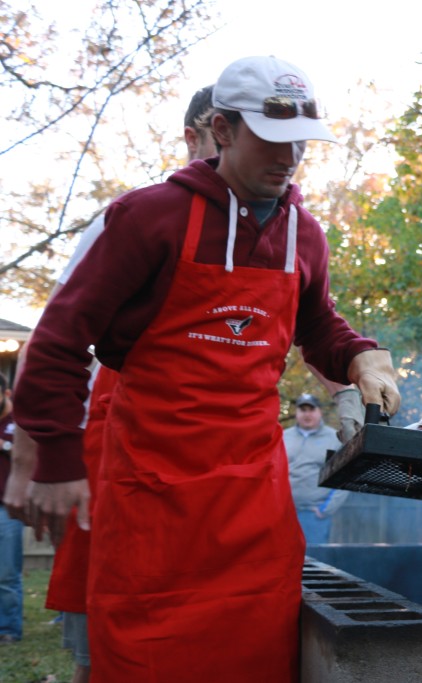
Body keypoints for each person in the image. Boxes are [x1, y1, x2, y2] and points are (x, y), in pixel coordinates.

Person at [9, 55, 401, 682]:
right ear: (221, 129)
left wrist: (358, 355)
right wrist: (53, 458)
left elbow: (316, 323)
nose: (290, 157)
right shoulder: (149, 217)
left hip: (254, 502)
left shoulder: (306, 235)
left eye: (300, 142)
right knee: (144, 660)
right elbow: (57, 342)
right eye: (271, 140)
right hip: (152, 499)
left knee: (255, 660)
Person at [284, 393, 346, 546]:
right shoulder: (283, 437)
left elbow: (343, 477)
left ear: (319, 412)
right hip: (284, 513)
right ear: (296, 413)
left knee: (314, 562)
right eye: (302, 410)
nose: (307, 414)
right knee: (281, 558)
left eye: (311, 409)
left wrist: (325, 509)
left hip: (314, 515)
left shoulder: (334, 438)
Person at [0, 375, 22, 645]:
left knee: (6, 573)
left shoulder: (21, 421)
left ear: (6, 393)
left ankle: (9, 629)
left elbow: (33, 452)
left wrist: (4, 445)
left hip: (8, 508)